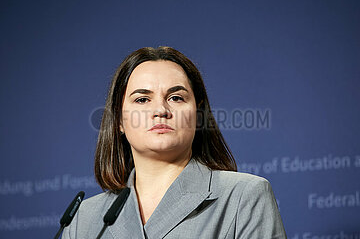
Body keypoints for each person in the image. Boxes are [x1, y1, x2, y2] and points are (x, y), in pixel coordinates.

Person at [62, 46, 287, 238]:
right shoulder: (83, 220)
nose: (160, 110)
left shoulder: (244, 196)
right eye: (142, 99)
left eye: (176, 98)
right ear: (119, 120)